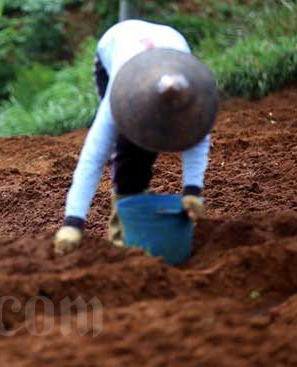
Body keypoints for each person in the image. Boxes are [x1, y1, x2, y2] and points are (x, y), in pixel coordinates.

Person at [54, 19, 218, 255]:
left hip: (166, 43)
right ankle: (123, 231)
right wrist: (73, 222)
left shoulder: (193, 91)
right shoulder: (120, 97)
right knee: (130, 147)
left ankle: (132, 209)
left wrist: (192, 191)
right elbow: (93, 156)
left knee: (145, 145)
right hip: (117, 44)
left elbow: (197, 133)